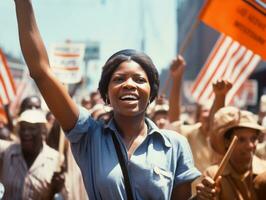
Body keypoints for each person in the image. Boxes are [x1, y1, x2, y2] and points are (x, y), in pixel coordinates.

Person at [14, 1, 201, 199]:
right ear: (106, 94)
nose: (129, 85)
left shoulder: (175, 145)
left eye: (139, 80)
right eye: (119, 79)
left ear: (151, 93)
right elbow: (41, 71)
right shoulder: (88, 135)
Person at [196, 106, 266, 200]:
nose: (250, 146)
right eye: (241, 140)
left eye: (253, 139)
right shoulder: (213, 175)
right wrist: (203, 197)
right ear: (227, 142)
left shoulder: (264, 171)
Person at [0, 109, 66, 200]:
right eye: (23, 128)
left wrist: (57, 189)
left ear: (43, 131)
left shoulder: (55, 159)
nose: (26, 133)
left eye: (32, 128)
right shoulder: (7, 151)